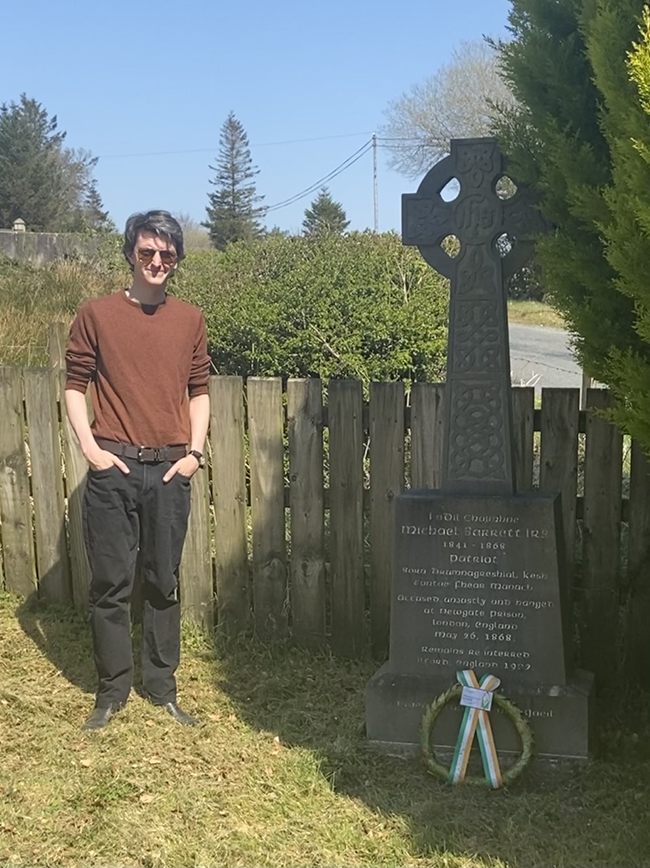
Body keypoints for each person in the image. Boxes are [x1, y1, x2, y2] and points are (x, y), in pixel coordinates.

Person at [64, 210, 211, 731]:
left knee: (163, 581)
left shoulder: (190, 319)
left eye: (167, 254)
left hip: (171, 469)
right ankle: (111, 691)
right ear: (130, 254)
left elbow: (199, 391)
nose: (156, 261)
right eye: (147, 252)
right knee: (110, 584)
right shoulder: (97, 314)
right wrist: (91, 449)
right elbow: (74, 385)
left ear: (177, 259)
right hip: (114, 467)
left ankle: (162, 687)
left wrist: (194, 454)